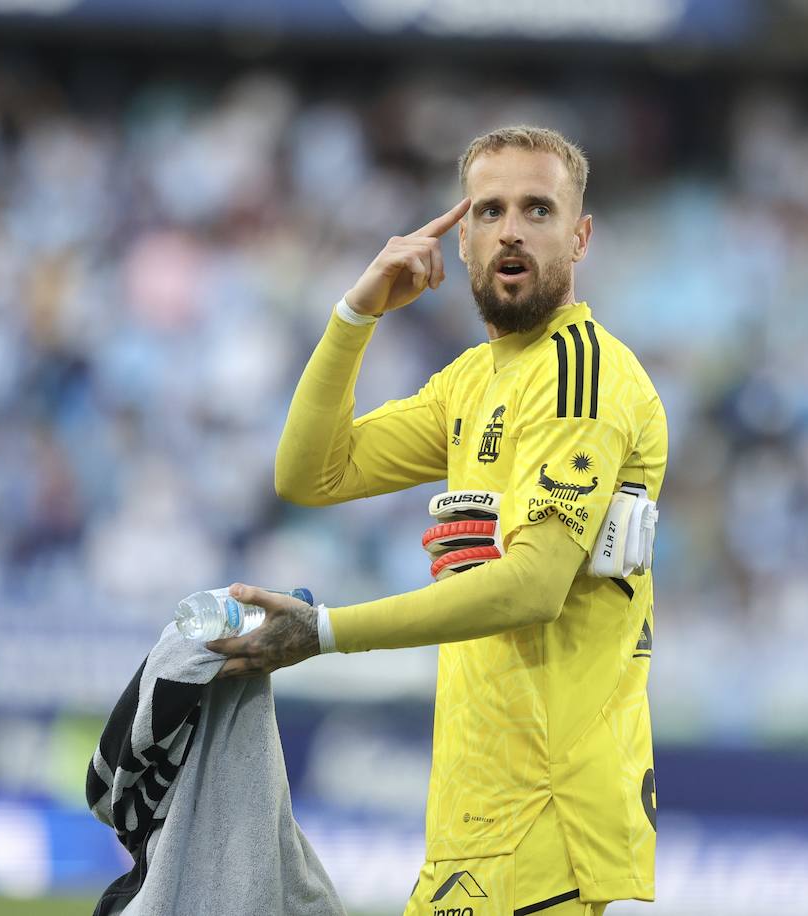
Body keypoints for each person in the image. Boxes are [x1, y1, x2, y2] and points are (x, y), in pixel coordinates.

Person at [205, 126, 668, 916]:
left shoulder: (581, 372)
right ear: (462, 241)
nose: (511, 230)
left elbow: (531, 587)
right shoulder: (474, 381)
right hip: (474, 823)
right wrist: (357, 312)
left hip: (553, 831)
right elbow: (310, 472)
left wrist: (324, 632)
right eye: (488, 211)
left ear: (580, 236)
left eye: (537, 209)